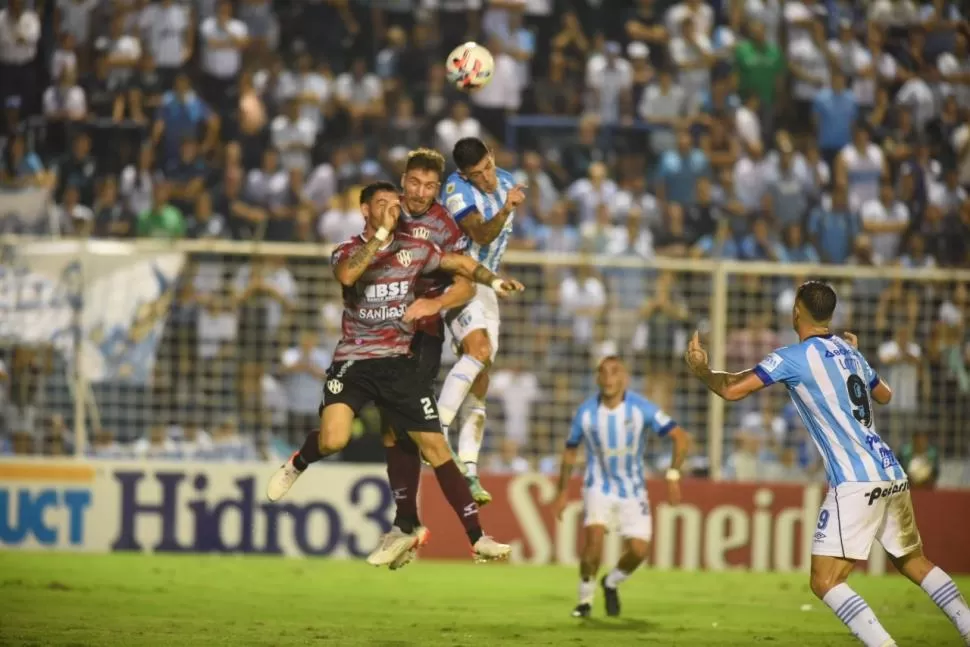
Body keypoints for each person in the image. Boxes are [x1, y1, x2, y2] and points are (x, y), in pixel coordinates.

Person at [683, 281, 970, 647]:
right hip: (890, 470)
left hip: (854, 481)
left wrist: (702, 370)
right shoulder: (849, 351)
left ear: (796, 311)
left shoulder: (791, 357)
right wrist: (854, 359)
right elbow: (885, 394)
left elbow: (732, 390)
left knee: (825, 581)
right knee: (914, 562)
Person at [265, 181, 524, 566]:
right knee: (334, 440)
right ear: (365, 210)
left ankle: (477, 537)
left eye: (394, 203)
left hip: (398, 362)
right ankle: (298, 462)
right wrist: (383, 235)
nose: (391, 208)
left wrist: (493, 280)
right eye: (382, 204)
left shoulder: (416, 249)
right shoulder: (348, 249)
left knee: (435, 447)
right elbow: (349, 276)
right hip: (353, 360)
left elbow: (461, 265)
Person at [367, 148, 476, 570]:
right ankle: (408, 525)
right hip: (381, 335)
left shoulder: (446, 227)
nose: (421, 192)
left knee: (409, 428)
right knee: (394, 431)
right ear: (403, 178)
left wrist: (435, 305)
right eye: (414, 182)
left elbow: (466, 285)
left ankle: (409, 525)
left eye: (430, 186)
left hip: (423, 337)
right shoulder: (385, 212)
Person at [552, 356, 691, 619]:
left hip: (633, 489)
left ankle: (611, 583)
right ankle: (584, 600)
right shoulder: (586, 412)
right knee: (593, 542)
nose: (608, 378)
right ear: (596, 378)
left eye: (614, 372)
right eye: (602, 372)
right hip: (598, 486)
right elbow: (570, 452)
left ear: (624, 378)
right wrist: (562, 491)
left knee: (639, 551)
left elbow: (680, 437)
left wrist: (673, 475)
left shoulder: (641, 408)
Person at [438, 137, 527, 505]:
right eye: (478, 175)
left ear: (492, 154)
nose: (487, 179)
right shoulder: (456, 190)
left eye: (488, 168)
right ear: (463, 174)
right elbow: (479, 233)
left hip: (488, 283)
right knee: (479, 349)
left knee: (483, 372)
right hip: (459, 277)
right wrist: (506, 208)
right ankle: (437, 433)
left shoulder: (506, 179)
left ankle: (470, 470)